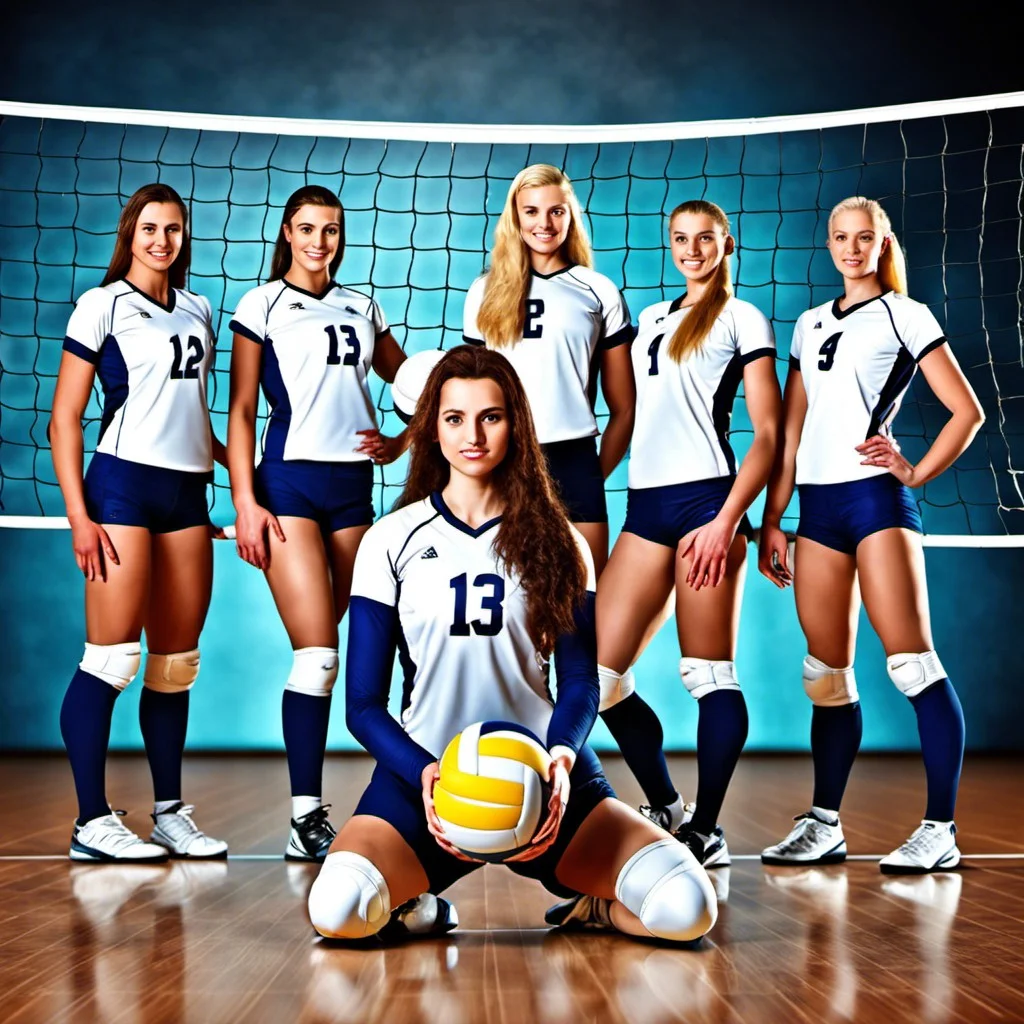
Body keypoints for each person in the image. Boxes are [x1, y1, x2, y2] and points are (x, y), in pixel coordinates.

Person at [306, 345, 717, 944]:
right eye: (454, 418)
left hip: (544, 775)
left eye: (490, 416)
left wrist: (562, 757)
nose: (472, 434)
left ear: (515, 423)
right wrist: (423, 774)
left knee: (687, 908)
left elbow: (580, 682)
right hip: (424, 781)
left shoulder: (561, 541)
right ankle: (414, 907)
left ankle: (595, 906)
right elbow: (362, 706)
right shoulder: (389, 540)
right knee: (337, 910)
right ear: (430, 428)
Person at [758, 196, 984, 873]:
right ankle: (824, 823)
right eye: (840, 238)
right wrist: (774, 516)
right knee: (825, 675)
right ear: (828, 243)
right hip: (817, 509)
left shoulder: (905, 315)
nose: (852, 249)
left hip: (874, 501)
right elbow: (791, 429)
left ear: (884, 242)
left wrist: (914, 473)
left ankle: (939, 827)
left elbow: (965, 412)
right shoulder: (806, 323)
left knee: (911, 662)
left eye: (865, 238)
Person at [595, 200, 781, 865]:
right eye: (680, 239)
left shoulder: (741, 318)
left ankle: (707, 828)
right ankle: (667, 807)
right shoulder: (649, 320)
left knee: (707, 671)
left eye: (705, 239)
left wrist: (728, 522)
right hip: (645, 509)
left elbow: (768, 435)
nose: (692, 249)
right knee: (600, 676)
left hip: (710, 505)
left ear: (727, 244)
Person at [227, 185, 408, 861]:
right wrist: (246, 501)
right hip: (290, 484)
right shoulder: (262, 304)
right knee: (319, 653)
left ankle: (405, 789)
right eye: (307, 228)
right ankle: (306, 817)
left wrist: (406, 436)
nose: (319, 242)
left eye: (330, 230)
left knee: (375, 636)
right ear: (286, 231)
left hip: (353, 488)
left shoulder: (364, 305)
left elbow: (415, 381)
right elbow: (241, 409)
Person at [51, 182, 228, 861]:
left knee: (174, 665)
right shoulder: (102, 306)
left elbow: (197, 416)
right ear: (130, 234)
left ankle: (169, 815)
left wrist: (244, 480)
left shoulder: (199, 309)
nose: (161, 240)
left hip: (187, 495)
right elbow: (65, 417)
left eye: (174, 229)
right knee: (113, 657)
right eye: (150, 228)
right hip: (121, 488)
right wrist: (79, 516)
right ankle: (91, 821)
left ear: (185, 237)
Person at [461, 164, 635, 576]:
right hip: (503, 460)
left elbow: (625, 408)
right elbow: (467, 394)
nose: (544, 223)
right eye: (532, 211)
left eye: (556, 211)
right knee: (507, 603)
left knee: (582, 609)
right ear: (515, 217)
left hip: (574, 460)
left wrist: (591, 474)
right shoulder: (483, 292)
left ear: (571, 216)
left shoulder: (598, 290)